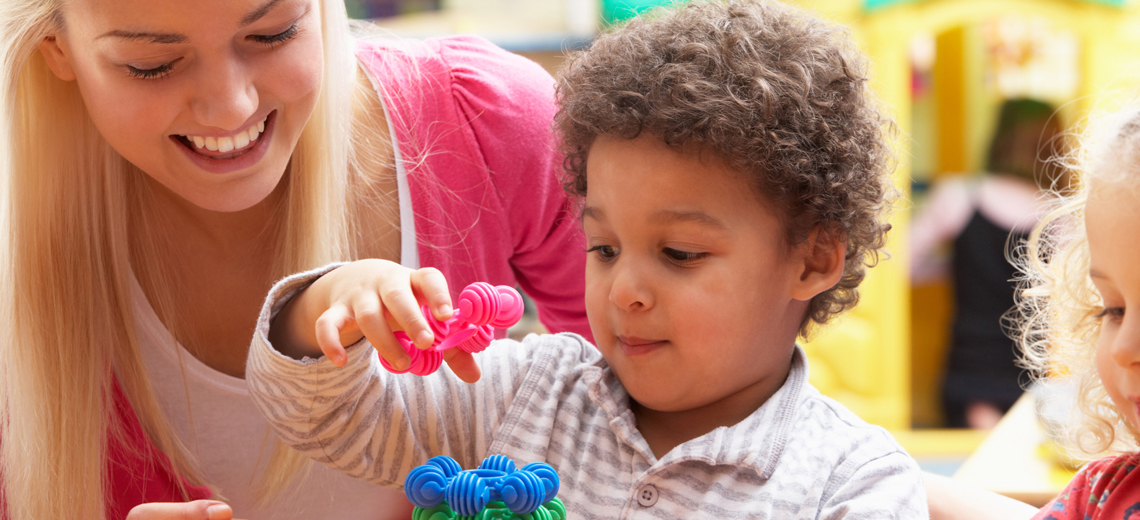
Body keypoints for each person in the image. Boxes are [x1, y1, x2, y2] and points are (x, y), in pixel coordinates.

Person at [245, 1, 929, 517]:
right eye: (603, 247)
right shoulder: (526, 389)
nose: (623, 289)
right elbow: (322, 419)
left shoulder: (852, 480)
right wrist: (332, 300)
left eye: (679, 253)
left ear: (811, 261)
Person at [0, 0, 592, 518]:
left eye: (274, 32)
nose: (230, 108)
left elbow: (668, 432)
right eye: (151, 64)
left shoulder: (491, 124)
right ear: (59, 50)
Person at [925, 103, 1140, 519]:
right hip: (1017, 366)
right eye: (1112, 309)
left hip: (971, 361)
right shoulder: (1105, 492)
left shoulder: (958, 197)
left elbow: (908, 260)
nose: (1123, 347)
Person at [910, 98, 1067, 428]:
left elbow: (900, 263)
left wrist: (957, 264)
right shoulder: (1062, 214)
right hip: (1037, 372)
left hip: (970, 371)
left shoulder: (960, 196)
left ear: (999, 138)